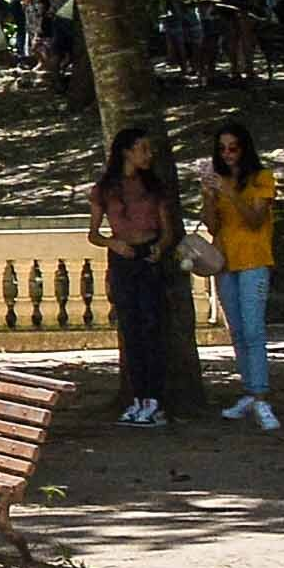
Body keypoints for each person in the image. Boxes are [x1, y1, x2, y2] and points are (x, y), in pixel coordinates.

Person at [89, 127, 186, 426]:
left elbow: (168, 229)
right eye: (142, 149)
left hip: (147, 256)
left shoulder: (154, 187)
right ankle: (137, 398)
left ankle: (155, 400)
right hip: (122, 258)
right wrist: (112, 242)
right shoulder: (105, 188)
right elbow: (93, 233)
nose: (148, 154)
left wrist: (159, 247)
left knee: (152, 327)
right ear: (126, 151)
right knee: (130, 330)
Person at [201, 121, 282, 428]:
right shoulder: (218, 181)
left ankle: (261, 397)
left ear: (244, 148)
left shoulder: (261, 178)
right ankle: (249, 390)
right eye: (222, 149)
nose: (227, 154)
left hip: (254, 260)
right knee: (236, 331)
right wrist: (210, 195)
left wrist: (230, 192)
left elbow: (254, 220)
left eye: (232, 148)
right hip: (224, 262)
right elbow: (211, 225)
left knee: (253, 330)